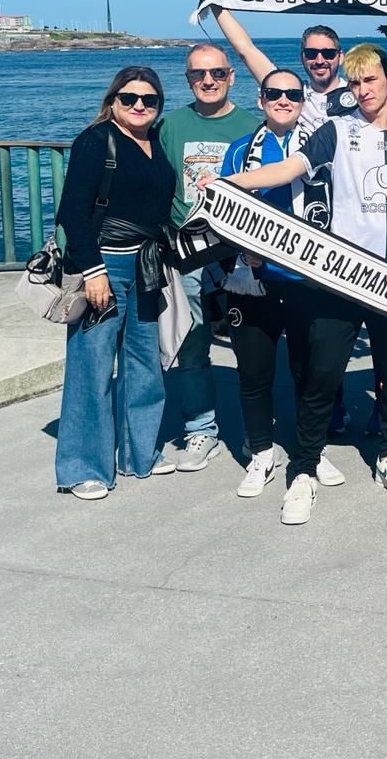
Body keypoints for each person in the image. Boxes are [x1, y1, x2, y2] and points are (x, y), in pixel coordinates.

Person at [209, 43, 387, 525]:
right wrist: (232, 182)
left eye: (371, 80)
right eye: (354, 83)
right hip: (342, 273)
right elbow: (289, 169)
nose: (362, 90)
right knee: (322, 374)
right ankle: (303, 469)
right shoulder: (335, 130)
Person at [217, 69, 347, 500]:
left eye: (293, 93)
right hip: (251, 280)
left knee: (310, 373)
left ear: (303, 100)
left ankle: (312, 449)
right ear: (261, 99)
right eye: (275, 93)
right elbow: (223, 207)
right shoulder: (239, 151)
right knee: (254, 373)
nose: (284, 100)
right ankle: (260, 451)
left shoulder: (322, 148)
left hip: (309, 279)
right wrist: (244, 248)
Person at [53, 66, 178, 500]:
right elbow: (72, 211)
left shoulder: (156, 141)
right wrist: (93, 271)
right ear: (113, 100)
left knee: (144, 366)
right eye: (129, 99)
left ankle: (139, 455)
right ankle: (82, 466)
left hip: (146, 266)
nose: (139, 106)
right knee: (91, 367)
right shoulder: (95, 140)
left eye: (149, 100)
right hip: (105, 265)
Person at [156, 42, 258, 473]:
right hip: (187, 251)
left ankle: (259, 430)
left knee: (253, 343)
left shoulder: (253, 124)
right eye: (199, 74)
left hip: (241, 251)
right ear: (188, 80)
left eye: (217, 72)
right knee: (192, 340)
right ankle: (202, 428)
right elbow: (157, 186)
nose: (209, 81)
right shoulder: (170, 126)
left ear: (231, 76)